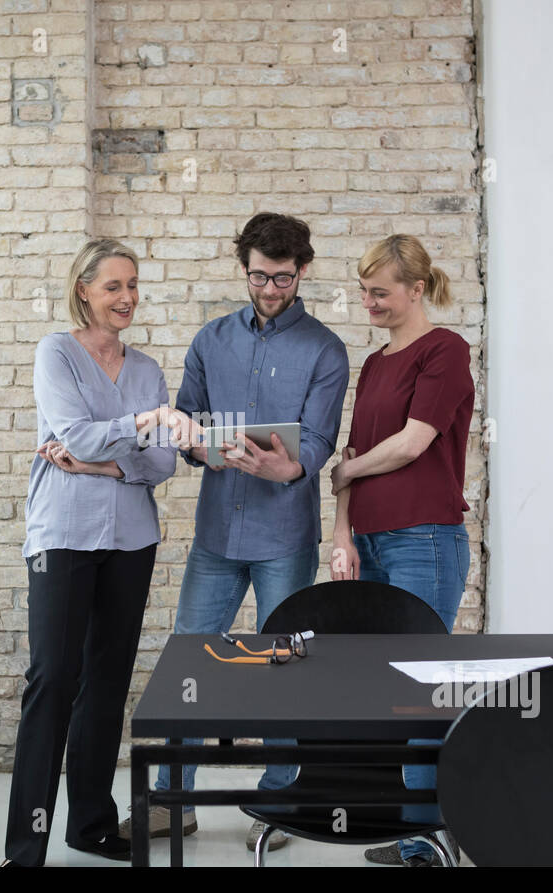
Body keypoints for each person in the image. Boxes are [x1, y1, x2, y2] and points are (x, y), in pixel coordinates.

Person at [117, 212, 350, 853]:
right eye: (258, 276)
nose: (270, 289)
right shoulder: (210, 340)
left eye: (282, 277)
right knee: (190, 662)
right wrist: (195, 443)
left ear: (303, 271)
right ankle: (175, 802)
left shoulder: (326, 350)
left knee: (283, 668)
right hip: (218, 531)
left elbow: (321, 440)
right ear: (242, 268)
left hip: (285, 534)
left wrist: (287, 466)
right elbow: (186, 418)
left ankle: (277, 799)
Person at [2, 239, 195, 867]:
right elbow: (74, 431)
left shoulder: (145, 368)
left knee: (107, 684)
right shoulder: (55, 352)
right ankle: (25, 847)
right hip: (62, 534)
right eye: (113, 286)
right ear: (84, 289)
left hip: (131, 540)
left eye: (133, 285)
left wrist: (101, 466)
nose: (127, 297)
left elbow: (164, 462)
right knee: (53, 680)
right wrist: (139, 427)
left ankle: (90, 825)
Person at [330, 234, 475, 866]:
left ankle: (427, 840)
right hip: (372, 541)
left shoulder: (445, 350)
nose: (369, 302)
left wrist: (348, 474)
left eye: (380, 292)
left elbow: (413, 444)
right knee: (391, 689)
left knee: (424, 693)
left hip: (426, 539)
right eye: (364, 291)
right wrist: (341, 534)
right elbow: (351, 458)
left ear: (417, 289)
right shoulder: (373, 365)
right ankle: (414, 827)